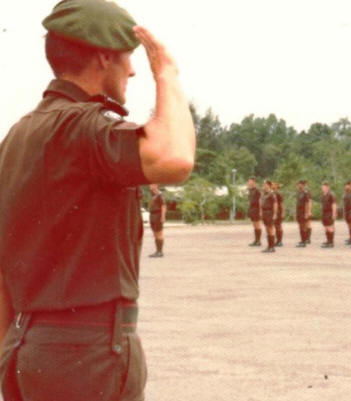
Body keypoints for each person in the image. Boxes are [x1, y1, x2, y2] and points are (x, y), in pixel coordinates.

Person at [0, 1, 195, 399]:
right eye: (128, 57)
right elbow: (174, 158)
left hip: (27, 347)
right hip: (86, 355)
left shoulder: (17, 138)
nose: (133, 69)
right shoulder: (82, 127)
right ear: (104, 57)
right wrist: (167, 74)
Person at [148, 184, 166, 257]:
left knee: (159, 233)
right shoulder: (153, 195)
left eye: (152, 185)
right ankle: (157, 251)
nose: (150, 186)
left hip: (157, 215)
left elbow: (163, 206)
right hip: (152, 215)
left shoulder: (159, 195)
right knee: (155, 233)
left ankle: (160, 252)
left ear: (156, 185)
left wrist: (163, 216)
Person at [260, 180, 277, 253]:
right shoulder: (263, 194)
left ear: (269, 186)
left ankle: (272, 247)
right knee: (267, 229)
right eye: (263, 185)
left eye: (265, 185)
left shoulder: (272, 194)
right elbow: (261, 203)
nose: (264, 186)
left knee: (270, 229)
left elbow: (275, 204)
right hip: (265, 212)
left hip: (270, 212)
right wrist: (261, 212)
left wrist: (274, 214)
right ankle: (269, 246)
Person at [246, 177, 263, 246]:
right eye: (248, 181)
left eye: (250, 181)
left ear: (254, 182)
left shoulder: (257, 190)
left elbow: (260, 200)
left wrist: (260, 210)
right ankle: (256, 240)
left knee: (257, 225)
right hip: (252, 209)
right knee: (254, 225)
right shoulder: (250, 190)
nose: (249, 182)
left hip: (257, 208)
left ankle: (258, 241)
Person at [295, 180, 312, 247]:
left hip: (303, 211)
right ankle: (303, 240)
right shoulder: (299, 193)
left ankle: (304, 241)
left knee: (304, 226)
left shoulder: (306, 193)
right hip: (299, 211)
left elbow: (308, 203)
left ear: (303, 185)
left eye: (300, 184)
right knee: (301, 226)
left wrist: (307, 212)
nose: (298, 186)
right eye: (298, 184)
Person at [320, 182, 336, 248]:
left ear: (327, 187)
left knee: (330, 227)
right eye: (322, 187)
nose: (323, 188)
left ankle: (331, 242)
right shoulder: (323, 195)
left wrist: (334, 214)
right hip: (324, 213)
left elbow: (334, 204)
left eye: (324, 187)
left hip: (329, 212)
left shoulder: (331, 195)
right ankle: (328, 241)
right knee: (326, 227)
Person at [273, 182, 284, 247]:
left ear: (277, 187)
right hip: (273, 212)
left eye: (274, 185)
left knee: (278, 226)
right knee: (275, 227)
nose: (273, 186)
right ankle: (277, 240)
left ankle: (280, 241)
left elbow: (282, 204)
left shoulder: (278, 194)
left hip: (279, 211)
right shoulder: (272, 194)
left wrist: (282, 213)